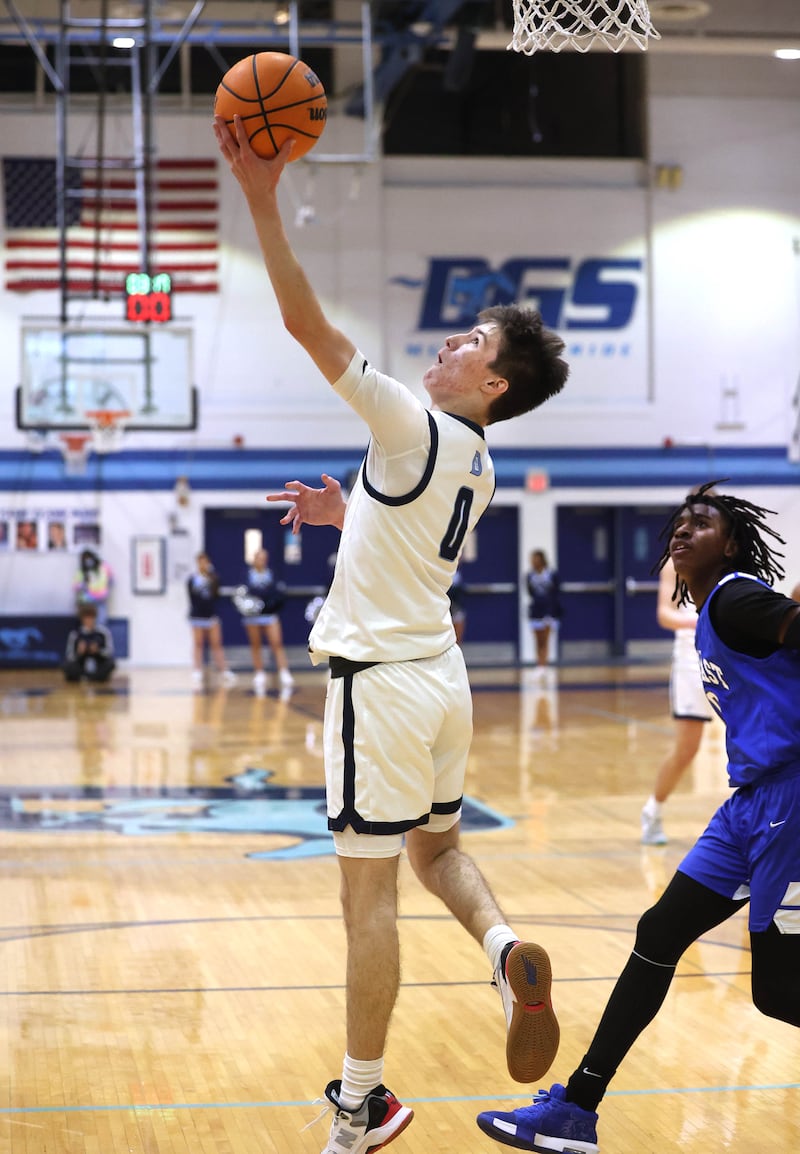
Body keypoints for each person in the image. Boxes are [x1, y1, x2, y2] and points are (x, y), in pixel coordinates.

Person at [214, 114, 569, 1154]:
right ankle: (504, 952)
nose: (450, 344)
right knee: (438, 848)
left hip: (377, 681)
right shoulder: (476, 460)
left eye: (470, 345)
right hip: (440, 679)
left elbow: (303, 325)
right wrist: (347, 514)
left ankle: (362, 1102)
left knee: (363, 892)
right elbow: (407, 531)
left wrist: (262, 199)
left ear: (492, 384)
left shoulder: (410, 425)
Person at [476, 480, 800, 1154]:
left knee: (776, 992)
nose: (683, 531)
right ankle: (577, 1110)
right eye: (679, 523)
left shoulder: (738, 597)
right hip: (748, 807)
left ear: (732, 542)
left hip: (789, 807)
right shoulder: (718, 605)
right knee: (659, 930)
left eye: (702, 522)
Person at [640, 555, 712, 845]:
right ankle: (653, 810)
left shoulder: (733, 553)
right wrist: (703, 620)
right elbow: (664, 614)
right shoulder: (676, 561)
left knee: (749, 740)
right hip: (690, 661)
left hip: (729, 656)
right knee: (687, 749)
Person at [233, 547, 294, 695]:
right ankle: (259, 673)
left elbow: (278, 593)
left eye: (264, 558)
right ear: (254, 559)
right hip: (252, 617)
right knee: (256, 644)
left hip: (269, 615)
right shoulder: (246, 575)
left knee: (276, 643)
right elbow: (242, 593)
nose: (261, 560)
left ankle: (284, 672)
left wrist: (270, 603)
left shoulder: (272, 574)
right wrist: (251, 605)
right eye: (258, 558)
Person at [187, 551, 235, 690]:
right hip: (197, 616)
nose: (203, 564)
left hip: (211, 615)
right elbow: (192, 598)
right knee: (198, 643)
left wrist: (211, 577)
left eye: (205, 562)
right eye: (200, 562)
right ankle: (197, 670)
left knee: (216, 644)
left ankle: (223, 669)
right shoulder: (192, 579)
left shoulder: (213, 578)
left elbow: (216, 595)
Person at [63, 603, 116, 684]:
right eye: (86, 618)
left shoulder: (103, 633)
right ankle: (83, 676)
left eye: (91, 618)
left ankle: (95, 677)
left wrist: (98, 651)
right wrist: (79, 652)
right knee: (66, 665)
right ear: (82, 619)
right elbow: (69, 655)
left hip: (98, 661)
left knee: (110, 663)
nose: (89, 621)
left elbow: (109, 652)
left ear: (95, 618)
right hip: (81, 663)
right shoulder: (75, 634)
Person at [525, 549, 561, 667]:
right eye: (532, 559)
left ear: (541, 559)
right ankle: (539, 665)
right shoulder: (530, 576)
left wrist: (554, 610)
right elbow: (530, 593)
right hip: (536, 610)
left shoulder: (551, 574)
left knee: (545, 640)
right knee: (538, 640)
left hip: (548, 611)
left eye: (535, 558)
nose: (533, 561)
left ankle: (543, 665)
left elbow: (556, 592)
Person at [73, 549, 113, 624]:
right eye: (85, 559)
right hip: (88, 601)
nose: (88, 561)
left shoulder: (104, 566)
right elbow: (75, 587)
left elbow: (111, 580)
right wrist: (84, 583)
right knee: (88, 623)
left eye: (89, 558)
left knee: (101, 622)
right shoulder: (81, 571)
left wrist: (105, 591)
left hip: (101, 599)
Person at [447, 560, 468, 645]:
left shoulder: (458, 574)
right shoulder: (440, 573)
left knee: (459, 619)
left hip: (456, 608)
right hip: (443, 610)